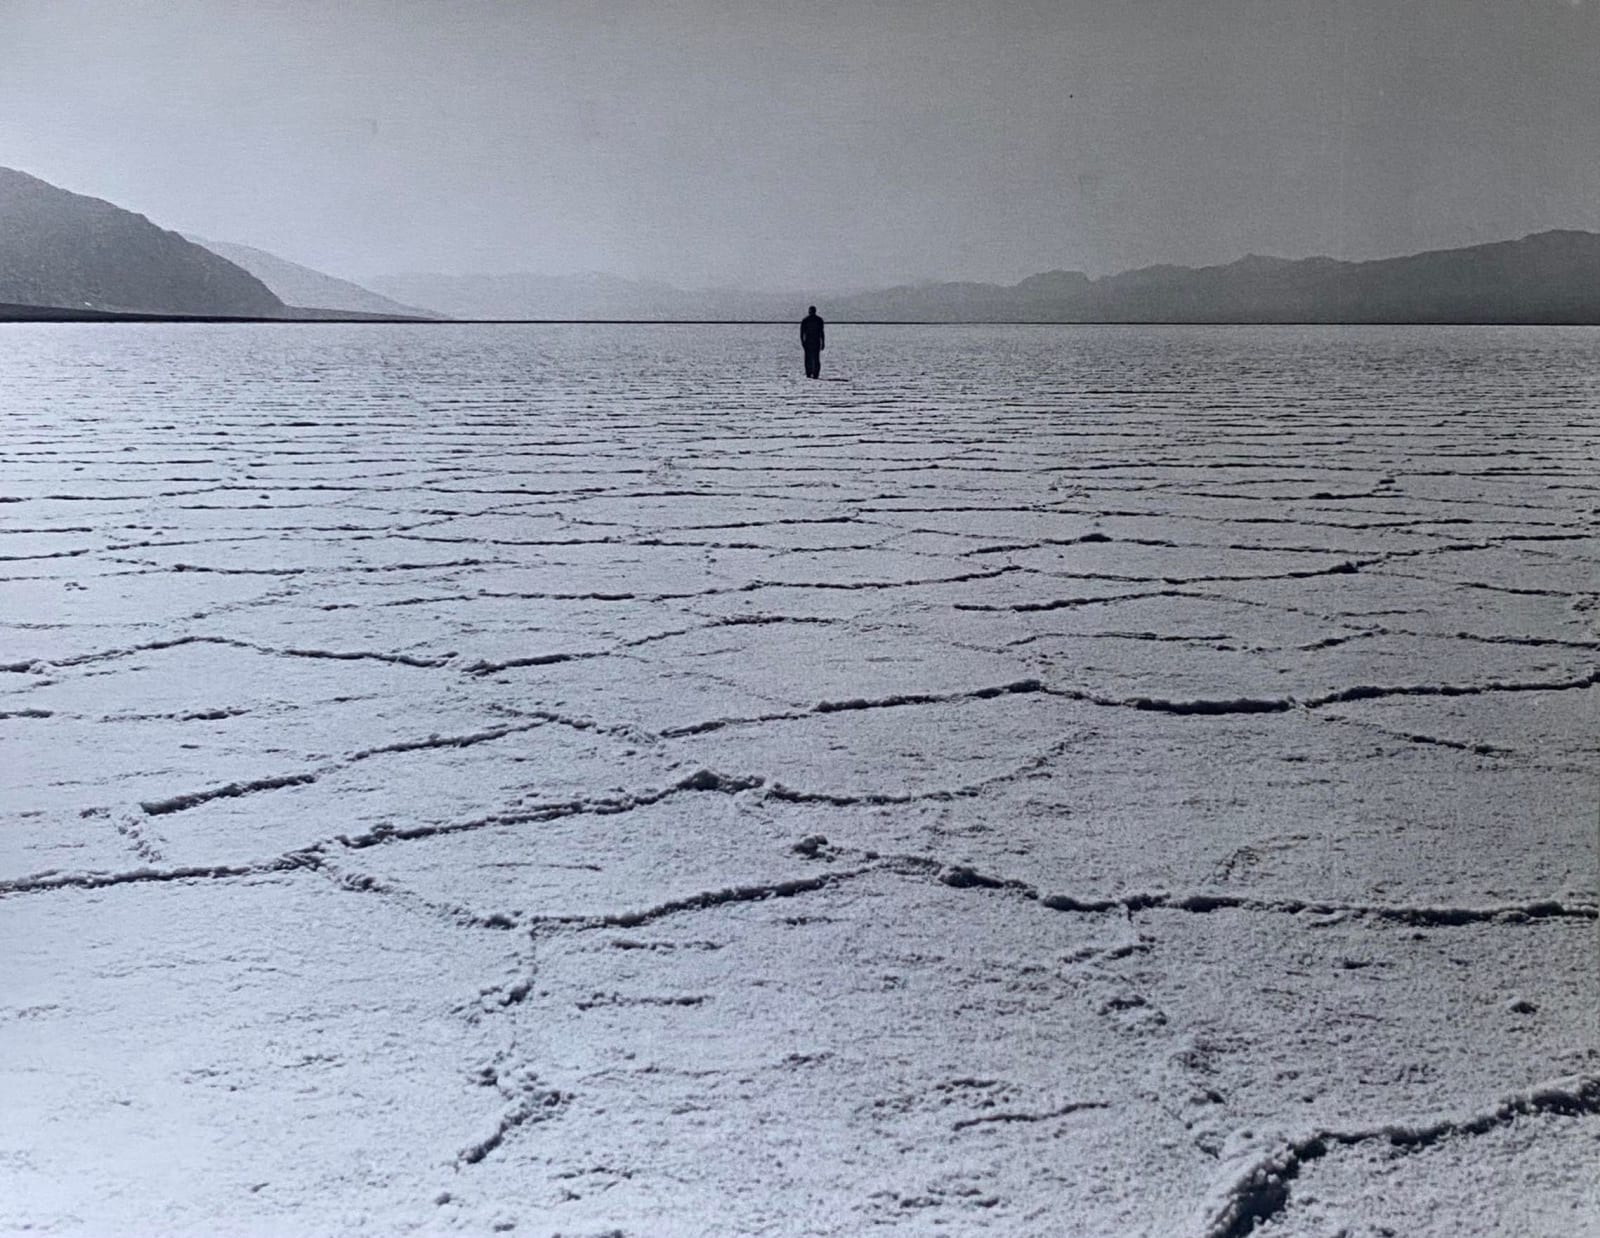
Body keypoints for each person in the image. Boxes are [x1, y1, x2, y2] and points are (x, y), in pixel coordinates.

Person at [800, 306, 825, 378]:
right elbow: (802, 332)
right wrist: (802, 341)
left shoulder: (818, 320)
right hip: (809, 341)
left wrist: (823, 342)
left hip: (814, 341)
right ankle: (810, 373)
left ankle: (814, 373)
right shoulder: (806, 320)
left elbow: (821, 332)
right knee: (809, 358)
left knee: (814, 358)